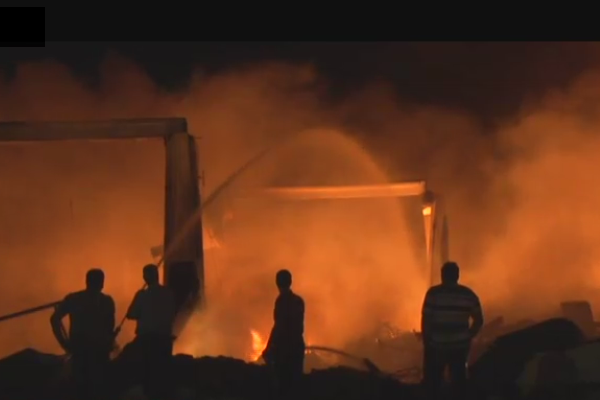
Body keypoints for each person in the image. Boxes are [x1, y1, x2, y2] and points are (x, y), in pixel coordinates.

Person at [421, 261, 484, 400]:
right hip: (459, 347)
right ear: (457, 276)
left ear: (442, 276)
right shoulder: (468, 295)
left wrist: (427, 341)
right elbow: (479, 319)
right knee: (458, 382)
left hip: (437, 346)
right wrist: (468, 336)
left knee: (433, 384)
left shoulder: (433, 294)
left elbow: (426, 319)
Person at [50, 268, 115, 400]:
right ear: (102, 283)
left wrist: (64, 342)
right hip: (98, 354)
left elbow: (54, 319)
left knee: (80, 390)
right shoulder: (107, 301)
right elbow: (110, 327)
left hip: (80, 352)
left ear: (87, 281)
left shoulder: (74, 299)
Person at [126, 264, 176, 400]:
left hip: (147, 341)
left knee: (147, 374)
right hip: (165, 341)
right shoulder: (168, 293)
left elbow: (130, 313)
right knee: (162, 373)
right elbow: (172, 312)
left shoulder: (142, 295)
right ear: (157, 275)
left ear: (145, 277)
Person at [262, 269, 305, 399]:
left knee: (282, 388)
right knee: (295, 388)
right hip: (297, 349)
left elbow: (279, 327)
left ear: (277, 283)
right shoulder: (299, 301)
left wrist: (268, 348)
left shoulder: (281, 302)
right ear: (290, 282)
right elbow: (297, 328)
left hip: (285, 352)